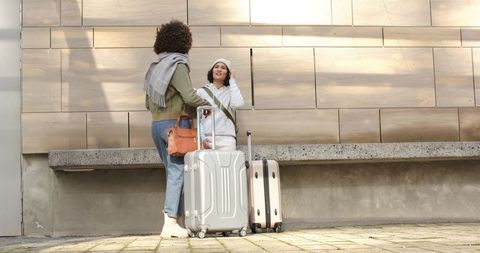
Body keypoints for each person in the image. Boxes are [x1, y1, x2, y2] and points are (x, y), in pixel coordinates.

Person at [144, 20, 210, 238]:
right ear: (184, 42)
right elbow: (190, 96)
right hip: (175, 126)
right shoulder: (177, 65)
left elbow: (147, 102)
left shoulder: (155, 68)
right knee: (177, 172)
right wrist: (211, 103)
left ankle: (177, 221)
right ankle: (170, 221)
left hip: (156, 125)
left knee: (174, 173)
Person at [196, 58, 244, 151]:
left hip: (227, 139)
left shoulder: (231, 91)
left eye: (223, 68)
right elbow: (198, 118)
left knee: (227, 165)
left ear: (228, 73)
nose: (219, 69)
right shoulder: (201, 92)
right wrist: (202, 137)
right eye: (216, 67)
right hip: (207, 137)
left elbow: (237, 104)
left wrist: (232, 80)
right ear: (212, 71)